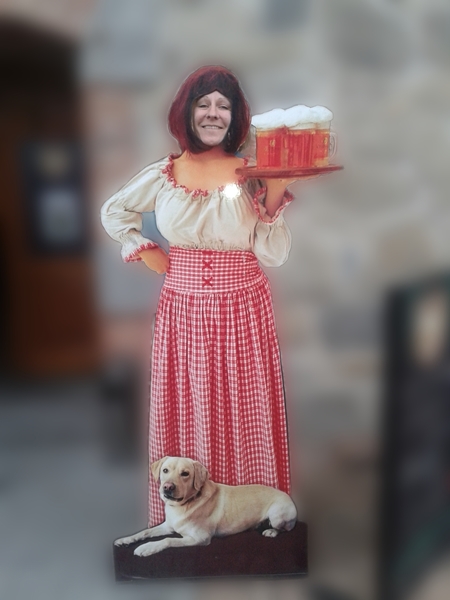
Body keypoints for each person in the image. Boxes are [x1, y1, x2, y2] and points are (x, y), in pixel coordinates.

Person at [101, 66, 302, 527]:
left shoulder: (252, 173)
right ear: (187, 112)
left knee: (244, 404)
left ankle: (248, 517)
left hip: (242, 305)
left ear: (235, 117)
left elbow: (273, 254)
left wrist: (273, 197)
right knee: (187, 403)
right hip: (183, 307)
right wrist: (145, 248)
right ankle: (189, 523)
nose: (213, 113)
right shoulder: (166, 173)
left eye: (223, 105)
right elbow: (114, 210)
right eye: (203, 103)